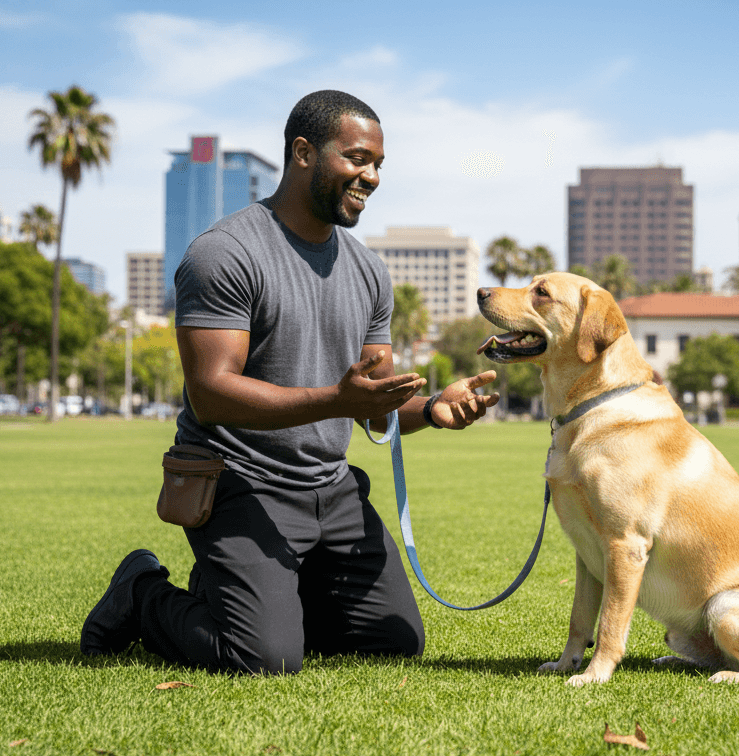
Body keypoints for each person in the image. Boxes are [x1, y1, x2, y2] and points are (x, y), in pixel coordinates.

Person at [80, 90, 499, 675]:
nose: (372, 177)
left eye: (378, 164)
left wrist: (431, 410)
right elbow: (211, 393)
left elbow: (371, 403)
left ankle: (251, 595)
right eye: (357, 159)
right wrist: (336, 400)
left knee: (393, 643)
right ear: (303, 152)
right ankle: (141, 591)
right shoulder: (224, 254)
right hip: (240, 481)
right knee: (264, 660)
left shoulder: (369, 272)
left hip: (330, 486)